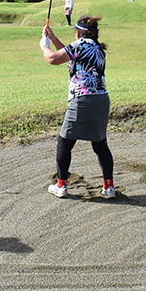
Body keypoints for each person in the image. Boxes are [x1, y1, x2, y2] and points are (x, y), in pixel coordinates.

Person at [40, 16, 115, 199]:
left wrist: (44, 44)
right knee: (100, 144)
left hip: (82, 100)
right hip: (101, 100)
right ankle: (109, 187)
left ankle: (61, 186)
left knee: (65, 142)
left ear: (79, 32)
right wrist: (52, 36)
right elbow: (70, 55)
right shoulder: (97, 48)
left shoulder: (79, 45)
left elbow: (52, 58)